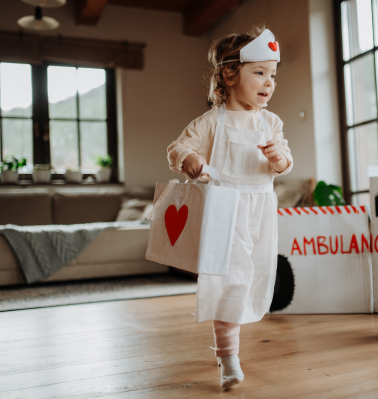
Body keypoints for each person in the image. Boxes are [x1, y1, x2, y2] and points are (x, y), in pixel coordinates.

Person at [167, 27, 293, 389]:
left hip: (261, 209)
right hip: (226, 208)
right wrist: (189, 157)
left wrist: (278, 159)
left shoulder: (270, 122)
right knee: (230, 280)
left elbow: (285, 160)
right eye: (260, 72)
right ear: (230, 74)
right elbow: (177, 147)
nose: (269, 82)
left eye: (273, 75)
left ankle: (228, 347)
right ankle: (229, 358)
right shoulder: (211, 122)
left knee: (254, 275)